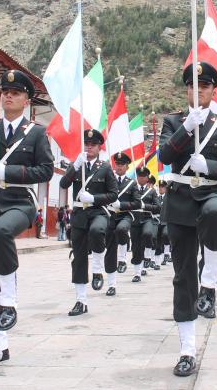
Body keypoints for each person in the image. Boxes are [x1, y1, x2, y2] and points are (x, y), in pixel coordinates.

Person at [159, 61, 217, 377]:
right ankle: (187, 350)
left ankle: (209, 280)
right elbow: (164, 157)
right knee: (182, 277)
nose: (199, 91)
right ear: (187, 90)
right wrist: (186, 130)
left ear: (213, 91)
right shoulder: (173, 121)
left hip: (210, 192)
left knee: (214, 213)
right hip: (180, 197)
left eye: (205, 86)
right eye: (193, 86)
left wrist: (210, 167)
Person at [0, 70, 54, 367]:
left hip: (20, 200)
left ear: (26, 100)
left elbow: (45, 171)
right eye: (5, 92)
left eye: (16, 93)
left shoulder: (36, 133)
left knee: (2, 231)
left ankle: (9, 302)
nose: (8, 96)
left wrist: (9, 171)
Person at [60, 129, 117, 316]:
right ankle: (81, 301)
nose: (89, 147)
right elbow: (63, 184)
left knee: (97, 231)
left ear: (99, 147)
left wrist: (93, 198)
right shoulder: (78, 165)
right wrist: (75, 166)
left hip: (98, 211)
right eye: (86, 144)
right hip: (79, 213)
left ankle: (98, 269)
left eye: (93, 144)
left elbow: (113, 194)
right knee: (78, 258)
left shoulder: (105, 167)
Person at [104, 151, 138, 295]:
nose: (118, 166)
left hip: (125, 215)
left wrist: (122, 205)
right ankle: (111, 284)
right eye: (117, 164)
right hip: (110, 215)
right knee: (110, 251)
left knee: (122, 230)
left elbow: (137, 203)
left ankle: (123, 258)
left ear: (127, 167)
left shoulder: (132, 183)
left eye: (122, 164)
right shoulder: (108, 180)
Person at [130, 166, 161, 280]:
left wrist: (145, 206)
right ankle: (137, 273)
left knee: (148, 234)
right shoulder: (132, 189)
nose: (142, 178)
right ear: (137, 177)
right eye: (140, 176)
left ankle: (148, 255)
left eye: (144, 176)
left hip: (147, 218)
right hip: (135, 219)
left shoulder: (152, 191)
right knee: (136, 246)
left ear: (147, 178)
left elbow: (158, 207)